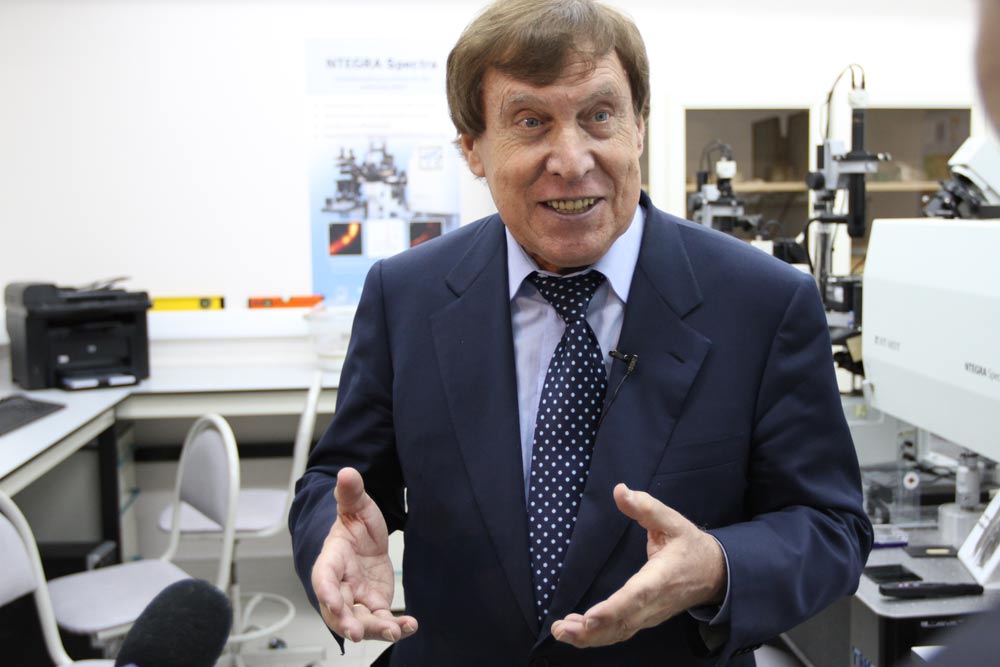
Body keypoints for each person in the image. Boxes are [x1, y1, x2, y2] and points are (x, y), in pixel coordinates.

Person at [289, 0, 873, 664]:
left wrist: (716, 565)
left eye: (599, 115)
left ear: (639, 127)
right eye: (530, 121)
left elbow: (831, 528)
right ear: (473, 148)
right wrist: (331, 536)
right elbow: (336, 481)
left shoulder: (763, 303)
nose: (571, 160)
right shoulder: (406, 296)